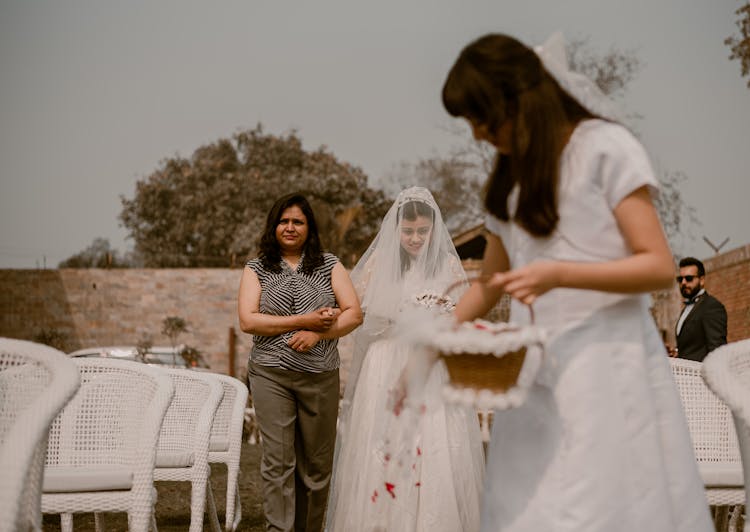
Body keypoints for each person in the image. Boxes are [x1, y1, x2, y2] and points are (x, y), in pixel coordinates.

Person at [438, 33, 713, 531]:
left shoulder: (605, 148)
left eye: (482, 118)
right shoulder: (511, 180)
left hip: (607, 372)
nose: (477, 134)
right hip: (533, 381)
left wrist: (561, 274)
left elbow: (655, 266)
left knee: (602, 509)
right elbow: (490, 284)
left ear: (518, 99)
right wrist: (432, 331)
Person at [326, 186, 484, 532]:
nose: (415, 238)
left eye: (422, 232)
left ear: (433, 229)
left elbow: (462, 318)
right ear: (396, 230)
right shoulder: (380, 264)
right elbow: (358, 315)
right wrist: (397, 317)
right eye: (409, 231)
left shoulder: (448, 265)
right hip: (385, 361)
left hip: (430, 367)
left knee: (432, 439)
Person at [238, 192, 363, 532]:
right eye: (284, 221)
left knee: (317, 465)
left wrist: (319, 335)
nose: (290, 227)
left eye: (298, 221)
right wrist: (304, 321)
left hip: (320, 375)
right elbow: (249, 321)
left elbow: (354, 314)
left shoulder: (329, 264)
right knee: (278, 462)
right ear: (273, 226)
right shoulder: (256, 268)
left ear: (309, 228)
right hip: (270, 374)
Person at [671, 256, 727, 361]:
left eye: (689, 278)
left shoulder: (711, 306)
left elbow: (717, 350)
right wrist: (677, 353)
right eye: (680, 279)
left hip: (701, 375)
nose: (683, 283)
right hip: (685, 374)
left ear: (701, 280)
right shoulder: (687, 309)